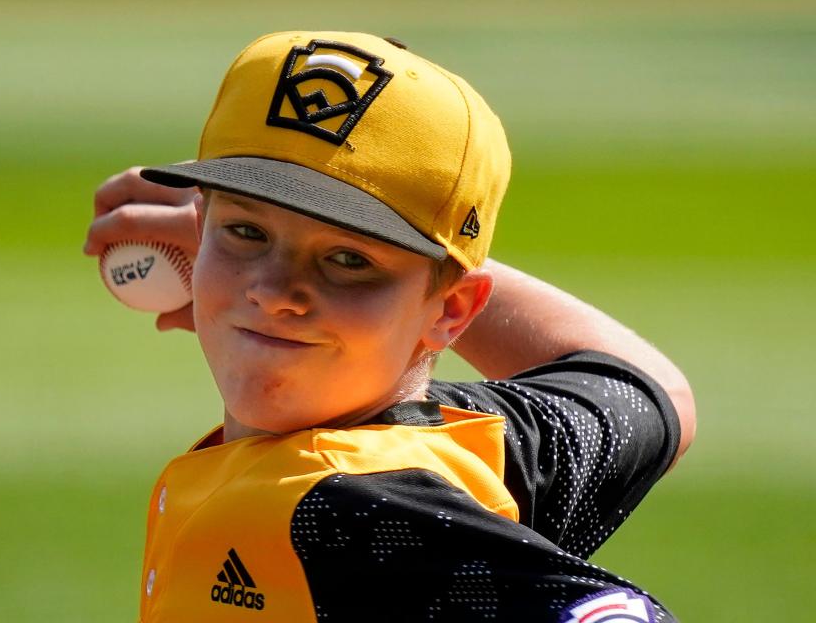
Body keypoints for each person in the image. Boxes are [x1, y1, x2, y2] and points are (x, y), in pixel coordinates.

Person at [83, 31, 695, 622]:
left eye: (349, 260)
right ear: (199, 231)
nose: (271, 293)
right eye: (246, 232)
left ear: (455, 310)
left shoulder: (354, 515)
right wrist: (430, 271)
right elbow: (651, 389)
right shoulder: (474, 446)